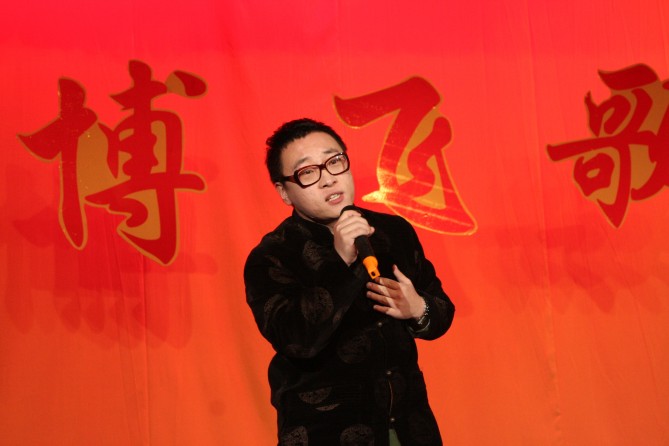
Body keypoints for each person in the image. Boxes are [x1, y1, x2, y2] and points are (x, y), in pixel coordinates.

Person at [244, 118, 455, 446]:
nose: (328, 179)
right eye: (308, 172)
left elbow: (441, 312)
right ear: (284, 191)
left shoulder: (393, 231)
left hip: (409, 428)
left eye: (334, 161)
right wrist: (340, 262)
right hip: (324, 434)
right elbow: (297, 340)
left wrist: (418, 309)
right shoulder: (272, 256)